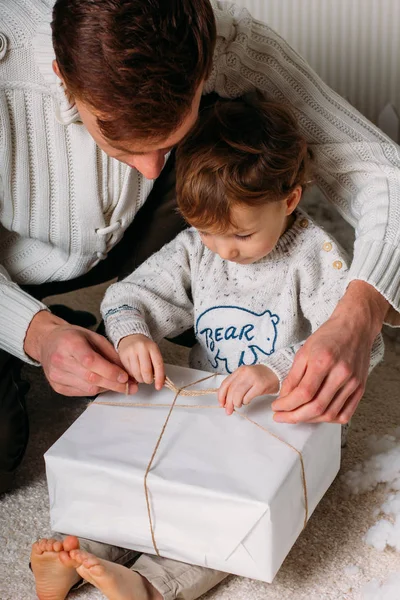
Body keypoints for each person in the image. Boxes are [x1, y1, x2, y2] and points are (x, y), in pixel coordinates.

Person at [0, 0, 398, 489]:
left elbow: (384, 175)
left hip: (144, 255)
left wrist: (357, 317)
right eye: (123, 145)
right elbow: (131, 299)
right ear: (63, 76)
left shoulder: (228, 40)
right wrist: (35, 334)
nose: (150, 171)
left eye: (171, 143)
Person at [31, 97, 384, 600]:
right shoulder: (201, 243)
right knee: (142, 481)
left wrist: (278, 370)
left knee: (217, 518)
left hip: (278, 426)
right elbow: (130, 296)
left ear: (288, 200)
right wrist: (132, 334)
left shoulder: (315, 255)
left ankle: (152, 585)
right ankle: (79, 551)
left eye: (241, 234)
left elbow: (359, 347)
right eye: (207, 231)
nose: (224, 250)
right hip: (204, 407)